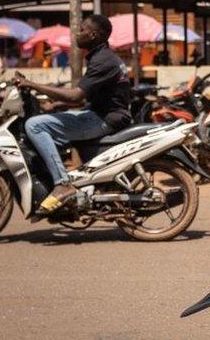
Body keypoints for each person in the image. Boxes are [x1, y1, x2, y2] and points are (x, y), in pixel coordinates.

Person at [13, 14, 132, 212]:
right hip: (101, 113)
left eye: (82, 29)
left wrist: (32, 84)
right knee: (48, 131)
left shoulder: (103, 61)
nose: (77, 33)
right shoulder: (101, 56)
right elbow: (89, 95)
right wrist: (57, 105)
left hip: (104, 119)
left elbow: (76, 96)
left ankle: (62, 184)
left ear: (93, 35)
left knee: (35, 125)